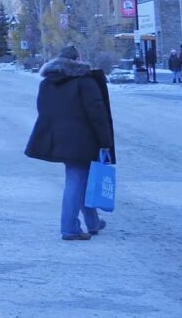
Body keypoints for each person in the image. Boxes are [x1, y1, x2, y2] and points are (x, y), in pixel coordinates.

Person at [25, 45, 116, 241]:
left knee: (81, 179)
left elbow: (43, 110)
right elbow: (97, 114)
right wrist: (105, 141)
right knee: (76, 180)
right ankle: (70, 227)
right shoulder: (85, 81)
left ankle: (92, 223)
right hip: (82, 139)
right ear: (78, 59)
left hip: (58, 139)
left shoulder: (47, 83)